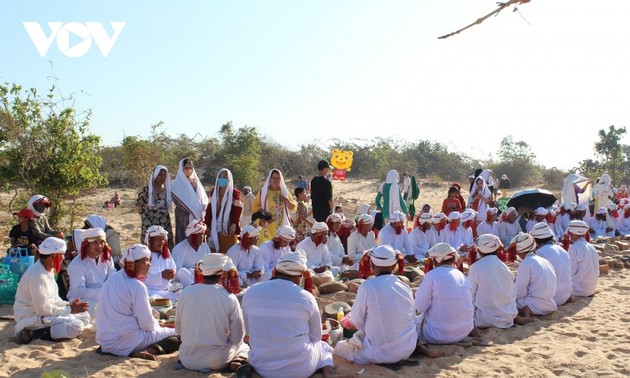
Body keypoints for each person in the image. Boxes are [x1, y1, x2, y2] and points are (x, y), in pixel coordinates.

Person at [240, 252, 335, 378]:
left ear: (276, 271)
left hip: (263, 367)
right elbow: (316, 337)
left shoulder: (251, 291)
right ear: (300, 277)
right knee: (324, 346)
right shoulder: (306, 297)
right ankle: (328, 372)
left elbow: (248, 332)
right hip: (300, 370)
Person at [334, 245, 417, 365]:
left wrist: (369, 330)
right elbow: (412, 318)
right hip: (407, 349)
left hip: (381, 354)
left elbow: (357, 320)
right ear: (394, 265)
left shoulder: (368, 286)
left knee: (339, 347)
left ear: (372, 265)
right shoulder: (405, 286)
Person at [96, 244, 180, 360]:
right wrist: (159, 325)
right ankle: (149, 350)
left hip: (105, 341)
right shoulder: (137, 286)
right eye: (145, 261)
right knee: (178, 333)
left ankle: (130, 351)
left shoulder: (112, 278)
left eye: (149, 261)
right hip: (128, 340)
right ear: (133, 263)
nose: (149, 265)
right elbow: (147, 324)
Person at [175, 253, 249, 372]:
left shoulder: (186, 292)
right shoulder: (229, 297)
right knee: (244, 346)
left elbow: (178, 330)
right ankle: (237, 360)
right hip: (217, 360)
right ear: (223, 273)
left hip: (187, 358)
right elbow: (237, 338)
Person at [14, 237, 90, 344]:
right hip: (31, 318)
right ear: (54, 256)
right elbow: (43, 309)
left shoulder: (48, 270)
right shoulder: (38, 276)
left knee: (85, 315)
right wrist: (70, 310)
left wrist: (68, 305)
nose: (63, 258)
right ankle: (32, 334)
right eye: (61, 255)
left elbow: (54, 299)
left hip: (45, 314)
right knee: (76, 326)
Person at [414, 243, 474, 344]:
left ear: (437, 259)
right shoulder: (462, 275)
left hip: (437, 335)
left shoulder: (432, 275)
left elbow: (419, 307)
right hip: (464, 332)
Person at [468, 234, 517, 329]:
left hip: (484, 319)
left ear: (479, 250)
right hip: (508, 318)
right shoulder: (505, 268)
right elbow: (513, 294)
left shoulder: (476, 267)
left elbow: (470, 295)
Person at [66, 228, 115, 318]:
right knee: (98, 311)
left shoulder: (107, 257)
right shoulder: (77, 264)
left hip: (105, 295)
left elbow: (112, 279)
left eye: (101, 242)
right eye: (95, 242)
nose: (99, 246)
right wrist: (104, 292)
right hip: (82, 300)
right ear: (86, 244)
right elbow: (79, 291)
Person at [512, 232, 557, 320]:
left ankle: (527, 312)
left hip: (535, 303)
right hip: (550, 303)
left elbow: (520, 293)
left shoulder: (526, 263)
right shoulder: (544, 260)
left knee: (508, 303)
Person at [531, 222, 572, 307]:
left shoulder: (540, 253)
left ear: (535, 239)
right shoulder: (562, 250)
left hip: (552, 299)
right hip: (565, 295)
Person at [135, 165, 174, 250]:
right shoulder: (146, 190)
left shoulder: (166, 191)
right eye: (160, 175)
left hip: (164, 223)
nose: (162, 177)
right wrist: (148, 215)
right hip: (149, 223)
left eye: (164, 175)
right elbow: (139, 206)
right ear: (155, 175)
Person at [171, 158, 209, 245]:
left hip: (197, 216)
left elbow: (202, 197)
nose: (189, 170)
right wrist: (192, 209)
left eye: (190, 167)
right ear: (182, 169)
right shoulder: (178, 184)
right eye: (186, 168)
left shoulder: (196, 182)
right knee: (184, 238)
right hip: (184, 215)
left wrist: (200, 209)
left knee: (197, 238)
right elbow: (177, 200)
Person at [205, 168, 242, 253]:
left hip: (227, 226)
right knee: (213, 251)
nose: (222, 179)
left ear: (229, 179)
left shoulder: (235, 193)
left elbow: (237, 210)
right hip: (214, 225)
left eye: (225, 177)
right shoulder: (214, 192)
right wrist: (207, 225)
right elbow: (209, 209)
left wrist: (234, 224)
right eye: (220, 177)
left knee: (228, 251)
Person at [254, 169, 297, 240]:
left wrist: (286, 200)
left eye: (278, 178)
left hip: (282, 226)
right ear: (270, 179)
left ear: (281, 180)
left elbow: (293, 208)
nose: (275, 180)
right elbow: (255, 206)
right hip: (268, 224)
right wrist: (267, 215)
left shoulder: (284, 192)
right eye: (273, 178)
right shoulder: (263, 192)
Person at [143, 225, 180, 301]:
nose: (161, 242)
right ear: (150, 241)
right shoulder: (143, 255)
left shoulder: (166, 253)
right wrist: (161, 275)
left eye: (163, 239)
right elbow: (142, 279)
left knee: (181, 294)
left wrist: (172, 274)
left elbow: (173, 267)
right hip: (151, 290)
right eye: (158, 240)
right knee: (150, 297)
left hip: (167, 289)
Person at [172, 219, 211, 288]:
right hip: (185, 277)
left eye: (202, 234)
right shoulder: (180, 248)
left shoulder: (205, 246)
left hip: (202, 275)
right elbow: (176, 271)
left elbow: (209, 264)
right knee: (181, 271)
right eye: (198, 235)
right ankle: (196, 288)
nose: (202, 237)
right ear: (190, 237)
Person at [566, 220, 599, 297]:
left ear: (572, 234)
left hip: (578, 290)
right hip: (591, 288)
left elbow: (571, 272)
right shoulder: (591, 246)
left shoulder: (574, 248)